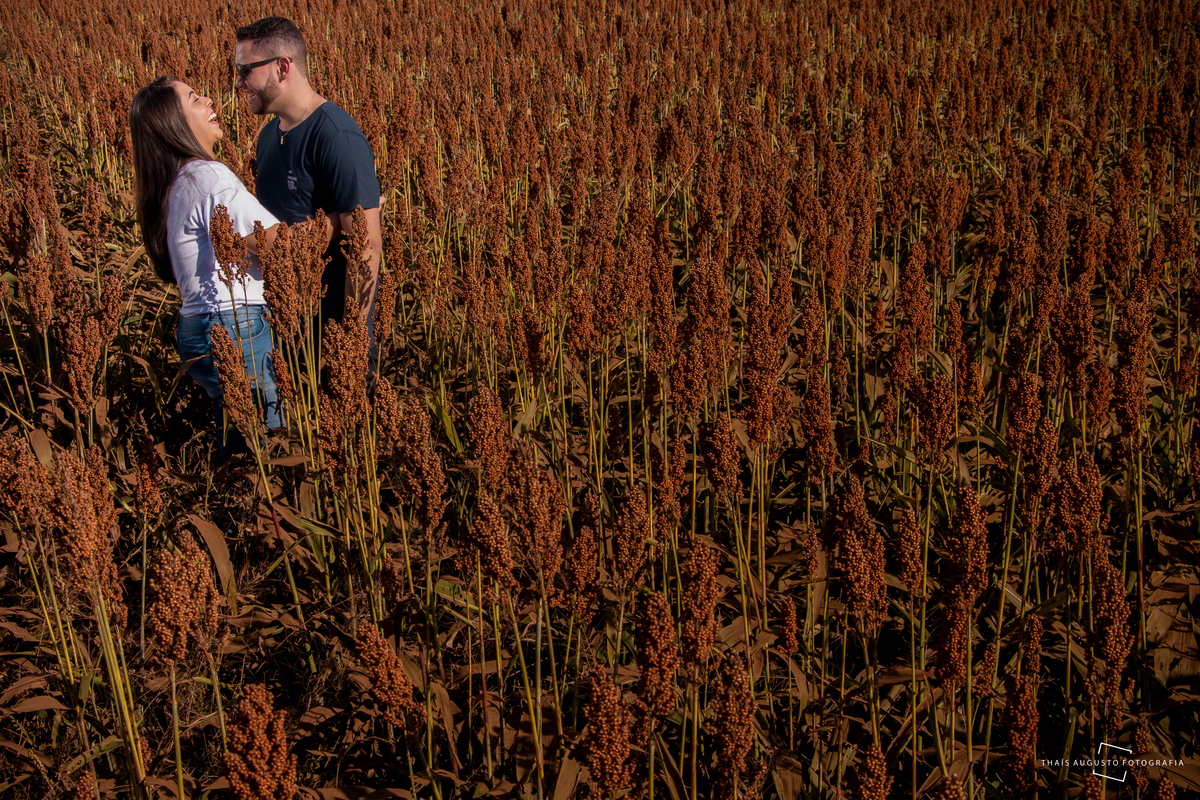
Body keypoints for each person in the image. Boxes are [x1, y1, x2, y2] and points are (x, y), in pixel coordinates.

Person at [129, 75, 285, 444]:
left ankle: (234, 499)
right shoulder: (210, 176)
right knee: (268, 442)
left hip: (198, 327)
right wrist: (346, 219)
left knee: (238, 436)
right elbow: (275, 244)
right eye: (195, 99)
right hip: (237, 323)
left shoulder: (175, 184)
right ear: (174, 124)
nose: (210, 101)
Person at [233, 17, 383, 368]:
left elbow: (366, 241)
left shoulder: (336, 136)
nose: (239, 83)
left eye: (245, 71)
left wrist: (353, 338)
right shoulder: (268, 137)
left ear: (282, 67)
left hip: (333, 332)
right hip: (286, 324)